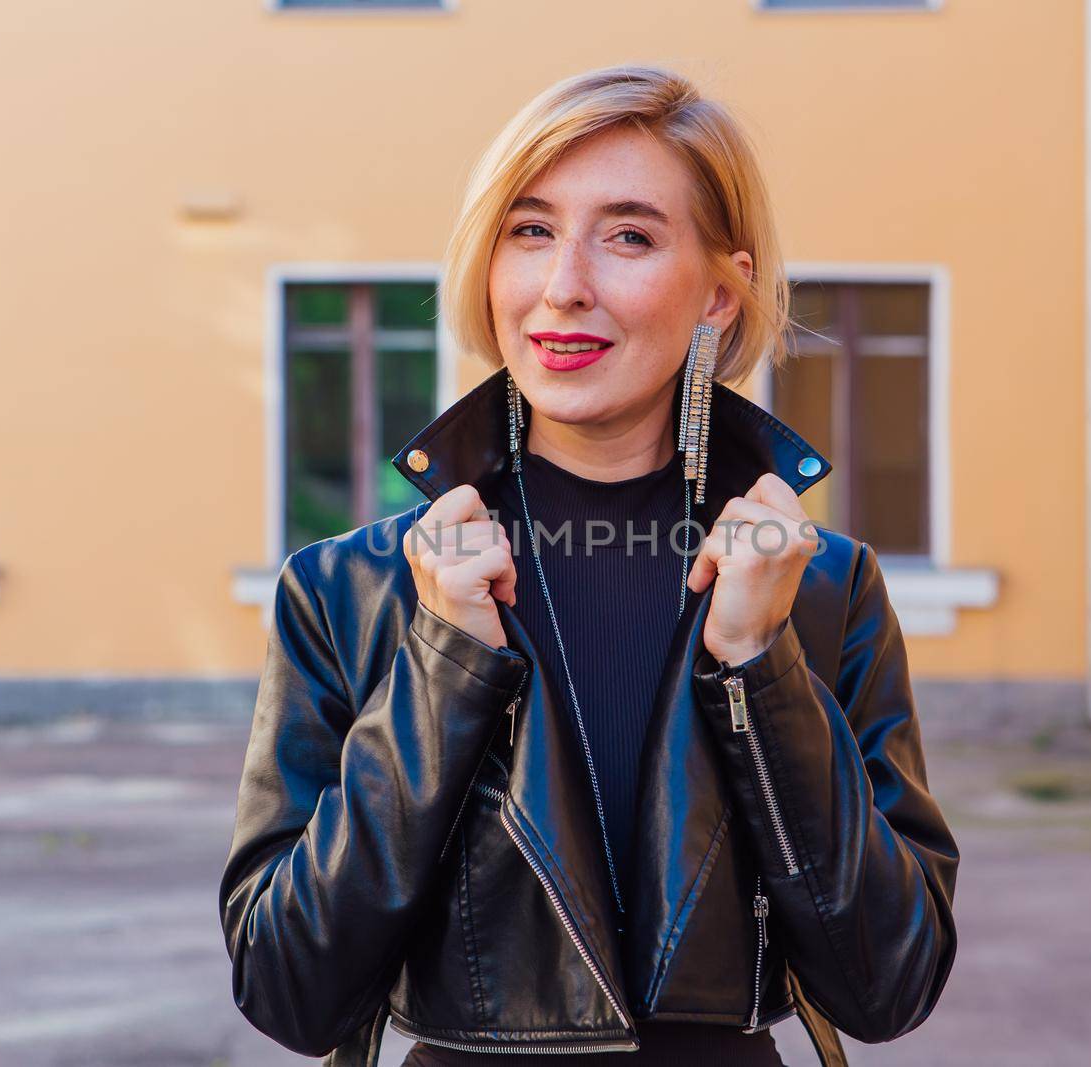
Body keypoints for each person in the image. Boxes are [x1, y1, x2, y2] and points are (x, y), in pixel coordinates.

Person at [219, 65, 959, 1067]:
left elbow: (889, 984)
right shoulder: (348, 590)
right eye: (529, 230)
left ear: (718, 295)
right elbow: (288, 988)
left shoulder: (820, 590)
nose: (563, 283)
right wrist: (443, 666)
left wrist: (755, 660)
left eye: (629, 236)